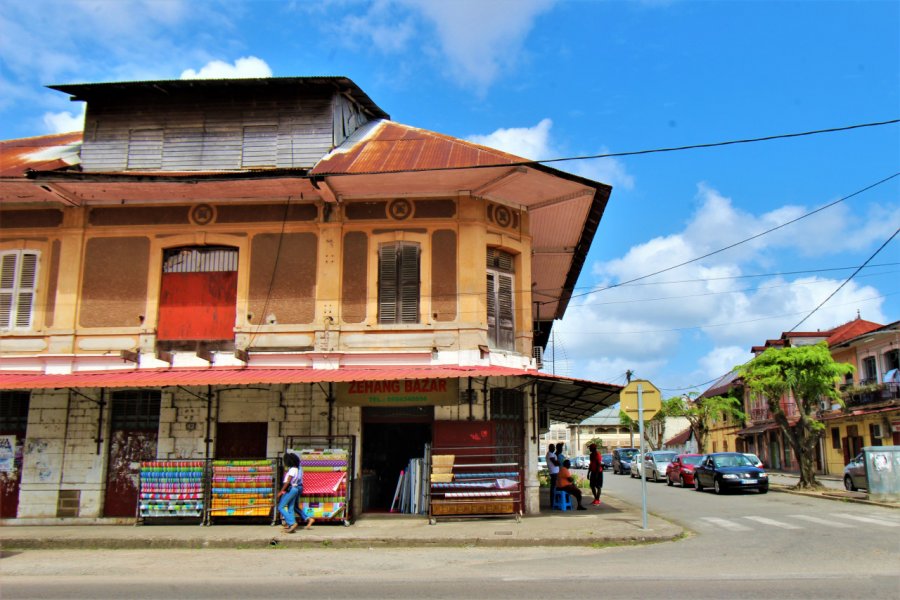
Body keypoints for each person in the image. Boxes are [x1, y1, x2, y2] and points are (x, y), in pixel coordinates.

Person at [277, 453, 309, 533]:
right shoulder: (297, 469)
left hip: (291, 489)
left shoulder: (292, 470)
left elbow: (288, 481)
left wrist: (281, 491)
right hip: (295, 489)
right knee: (291, 507)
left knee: (280, 507)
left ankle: (292, 523)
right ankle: (291, 526)